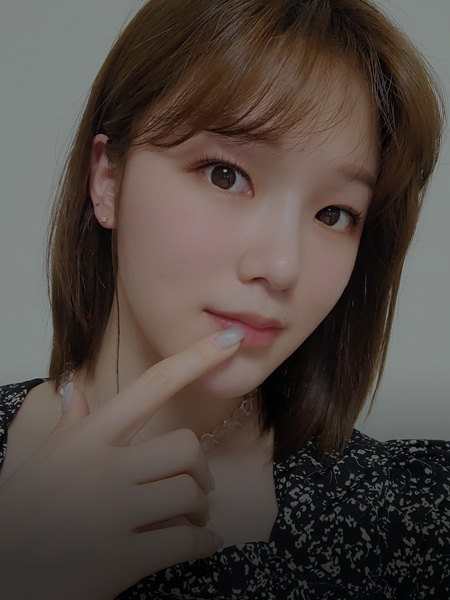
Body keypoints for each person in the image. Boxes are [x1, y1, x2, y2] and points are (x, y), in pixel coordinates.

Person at [0, 0, 449, 598]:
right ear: (108, 180)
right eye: (224, 175)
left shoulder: (418, 517)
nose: (282, 266)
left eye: (334, 214)